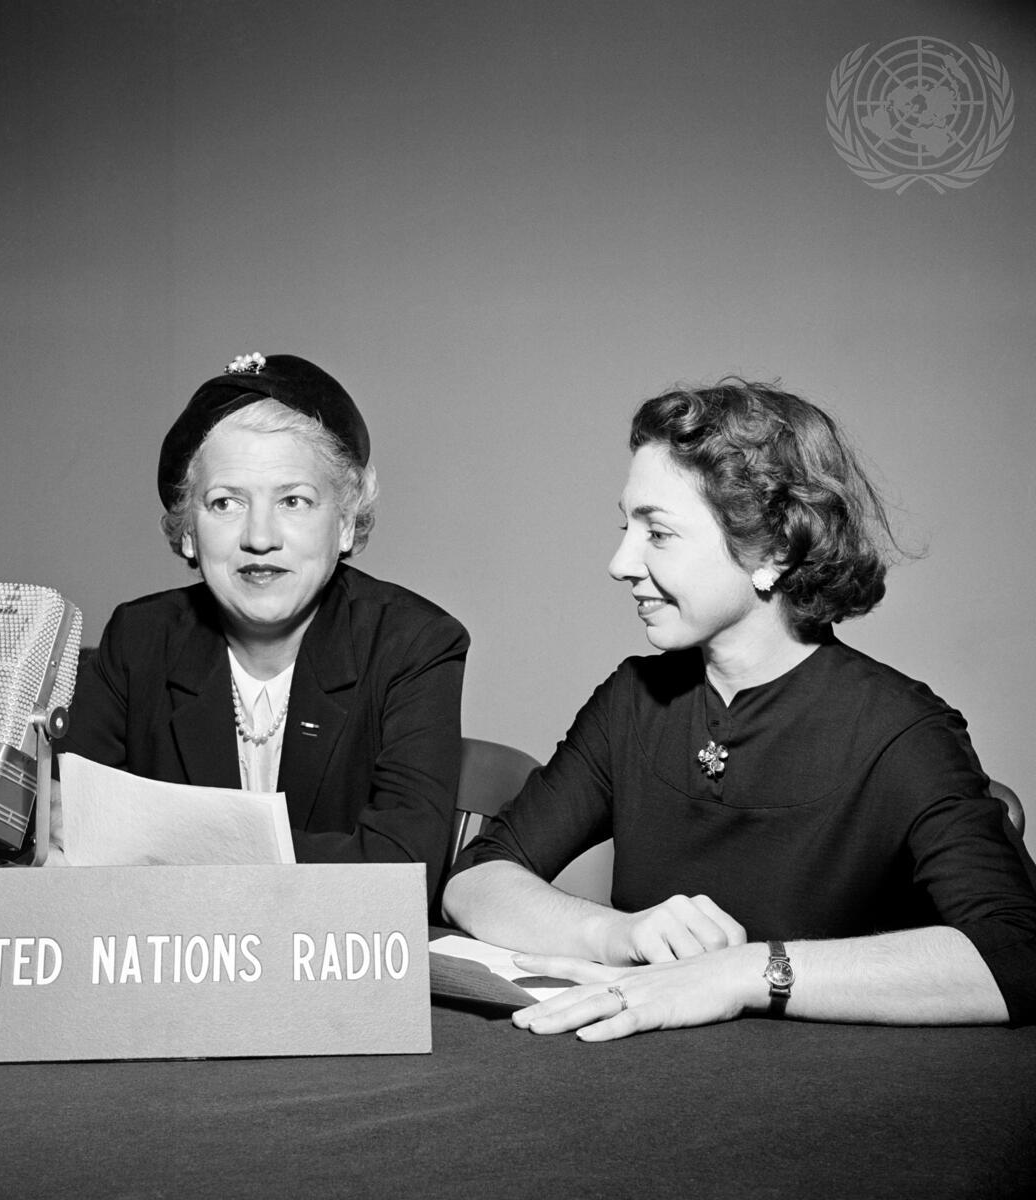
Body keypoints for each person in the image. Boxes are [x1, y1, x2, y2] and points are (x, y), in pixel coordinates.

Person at [443, 379, 1036, 1037]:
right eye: (625, 527)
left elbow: (1018, 952)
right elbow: (476, 880)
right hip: (642, 1072)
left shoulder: (900, 730)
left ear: (774, 549)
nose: (619, 563)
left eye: (658, 533)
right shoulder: (634, 700)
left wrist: (743, 973)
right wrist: (618, 934)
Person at [64, 352, 468, 904]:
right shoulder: (138, 639)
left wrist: (164, 849)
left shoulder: (415, 645)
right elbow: (69, 830)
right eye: (225, 502)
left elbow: (400, 869)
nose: (259, 537)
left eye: (293, 500)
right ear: (189, 532)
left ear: (345, 522)